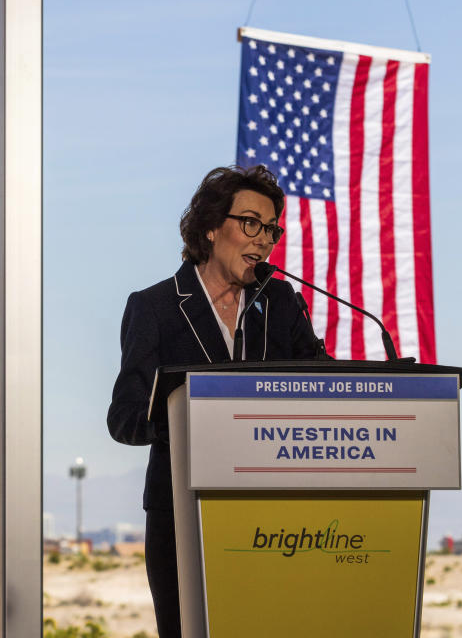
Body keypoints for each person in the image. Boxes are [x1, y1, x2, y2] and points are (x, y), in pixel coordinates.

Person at [106, 165, 321, 637]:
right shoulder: (157, 307)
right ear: (209, 226)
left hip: (275, 519)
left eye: (271, 229)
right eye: (250, 223)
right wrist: (187, 421)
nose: (263, 239)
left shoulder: (281, 302)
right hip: (183, 516)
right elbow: (124, 419)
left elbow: (319, 382)